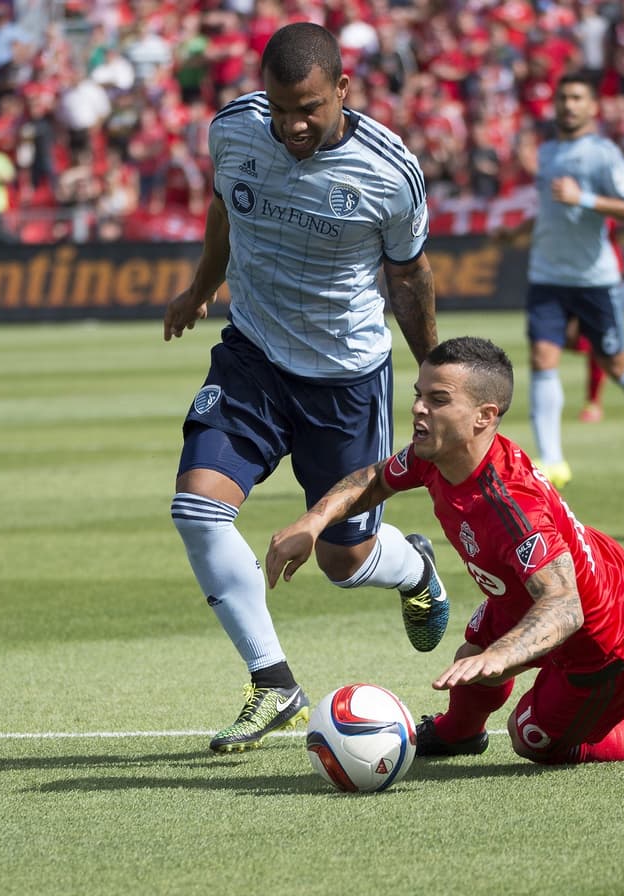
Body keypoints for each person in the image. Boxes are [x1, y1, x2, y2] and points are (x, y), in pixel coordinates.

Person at [266, 336, 624, 766]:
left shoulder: (512, 508)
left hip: (609, 642)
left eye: (438, 399)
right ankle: (460, 735)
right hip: (569, 581)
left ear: (485, 416)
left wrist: (502, 654)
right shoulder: (439, 455)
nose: (418, 408)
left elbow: (565, 607)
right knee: (471, 656)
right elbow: (376, 479)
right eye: (419, 395)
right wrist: (313, 522)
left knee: (533, 739)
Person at [161, 23, 448, 754]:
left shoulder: (388, 171)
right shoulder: (233, 130)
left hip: (344, 379)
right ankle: (273, 682)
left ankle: (415, 565)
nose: (292, 125)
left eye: (310, 109)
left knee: (344, 563)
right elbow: (225, 208)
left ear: (342, 91)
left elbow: (409, 277)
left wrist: (436, 375)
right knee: (196, 508)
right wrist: (200, 287)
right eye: (281, 108)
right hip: (252, 358)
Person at [509, 73, 624, 489]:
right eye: (563, 97)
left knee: (615, 364)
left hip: (594, 279)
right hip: (547, 273)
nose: (569, 105)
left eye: (577, 98)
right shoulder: (547, 151)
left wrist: (582, 197)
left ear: (593, 107)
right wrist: (516, 232)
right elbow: (550, 209)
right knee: (542, 358)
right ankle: (552, 461)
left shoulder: (603, 154)